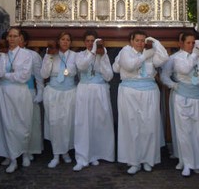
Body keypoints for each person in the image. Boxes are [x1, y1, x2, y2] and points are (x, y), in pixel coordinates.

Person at [112, 30, 168, 174]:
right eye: (137, 40)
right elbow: (130, 66)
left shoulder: (149, 52)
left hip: (149, 91)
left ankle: (148, 160)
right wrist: (145, 56)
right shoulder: (125, 51)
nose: (140, 43)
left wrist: (155, 42)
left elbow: (163, 58)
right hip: (130, 92)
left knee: (149, 126)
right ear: (131, 41)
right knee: (132, 126)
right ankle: (134, 162)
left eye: (143, 40)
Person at [0, 27, 33, 173]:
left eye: (15, 36)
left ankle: (24, 152)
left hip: (20, 93)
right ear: (7, 38)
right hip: (4, 92)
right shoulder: (1, 54)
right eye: (10, 36)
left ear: (20, 38)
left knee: (22, 124)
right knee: (6, 124)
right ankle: (11, 156)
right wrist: (10, 75)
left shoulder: (26, 54)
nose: (12, 39)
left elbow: (24, 76)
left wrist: (7, 75)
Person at [172, 33, 199, 177]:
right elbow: (184, 69)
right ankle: (188, 163)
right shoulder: (178, 57)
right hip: (185, 98)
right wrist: (195, 55)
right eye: (188, 43)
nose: (191, 45)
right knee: (186, 132)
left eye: (193, 43)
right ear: (183, 44)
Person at [73, 30, 114, 171]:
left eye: (93, 41)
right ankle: (82, 157)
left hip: (100, 90)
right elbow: (82, 66)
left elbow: (109, 76)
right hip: (84, 90)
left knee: (98, 122)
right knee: (83, 123)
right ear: (84, 42)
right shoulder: (79, 55)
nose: (91, 43)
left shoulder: (103, 55)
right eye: (88, 41)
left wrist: (102, 59)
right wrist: (93, 51)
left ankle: (96, 154)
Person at [40, 32, 77, 169]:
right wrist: (49, 56)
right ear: (58, 41)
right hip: (54, 92)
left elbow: (79, 71)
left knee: (67, 122)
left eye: (68, 39)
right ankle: (56, 155)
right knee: (54, 122)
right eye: (62, 39)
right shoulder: (50, 55)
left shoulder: (75, 56)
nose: (65, 42)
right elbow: (44, 74)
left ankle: (66, 151)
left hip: (69, 92)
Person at [19, 30, 44, 164]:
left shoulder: (33, 55)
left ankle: (29, 150)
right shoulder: (7, 54)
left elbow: (39, 77)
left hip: (29, 91)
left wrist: (40, 92)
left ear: (25, 41)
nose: (17, 40)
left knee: (29, 122)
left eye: (20, 38)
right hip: (13, 93)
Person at [160, 32, 184, 160]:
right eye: (186, 41)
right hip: (180, 94)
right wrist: (173, 85)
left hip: (198, 96)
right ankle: (180, 153)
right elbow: (165, 76)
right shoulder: (173, 58)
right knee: (180, 128)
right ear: (180, 43)